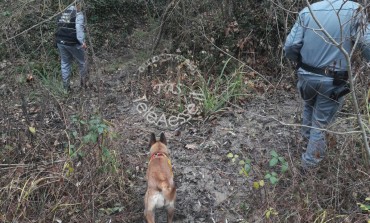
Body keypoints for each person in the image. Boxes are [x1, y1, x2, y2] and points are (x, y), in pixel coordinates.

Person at [284, 0, 370, 169]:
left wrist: (301, 63)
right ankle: (308, 169)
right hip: (333, 80)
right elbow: (366, 44)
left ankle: (305, 146)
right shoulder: (355, 10)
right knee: (320, 124)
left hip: (306, 76)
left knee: (309, 107)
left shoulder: (308, 11)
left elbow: (291, 45)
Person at [55, 0, 87, 91]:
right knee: (82, 62)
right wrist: (82, 42)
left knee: (65, 63)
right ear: (78, 4)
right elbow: (78, 29)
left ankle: (66, 88)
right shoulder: (78, 14)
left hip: (60, 42)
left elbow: (60, 26)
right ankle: (84, 85)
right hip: (72, 43)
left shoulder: (63, 12)